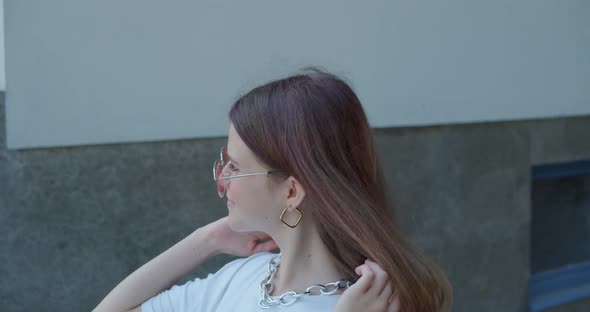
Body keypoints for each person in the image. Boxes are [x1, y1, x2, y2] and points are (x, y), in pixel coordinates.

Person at [94, 67, 452, 312]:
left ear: (292, 192)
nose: (221, 180)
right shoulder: (249, 275)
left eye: (235, 167)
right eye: (224, 162)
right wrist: (207, 241)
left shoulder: (369, 304)